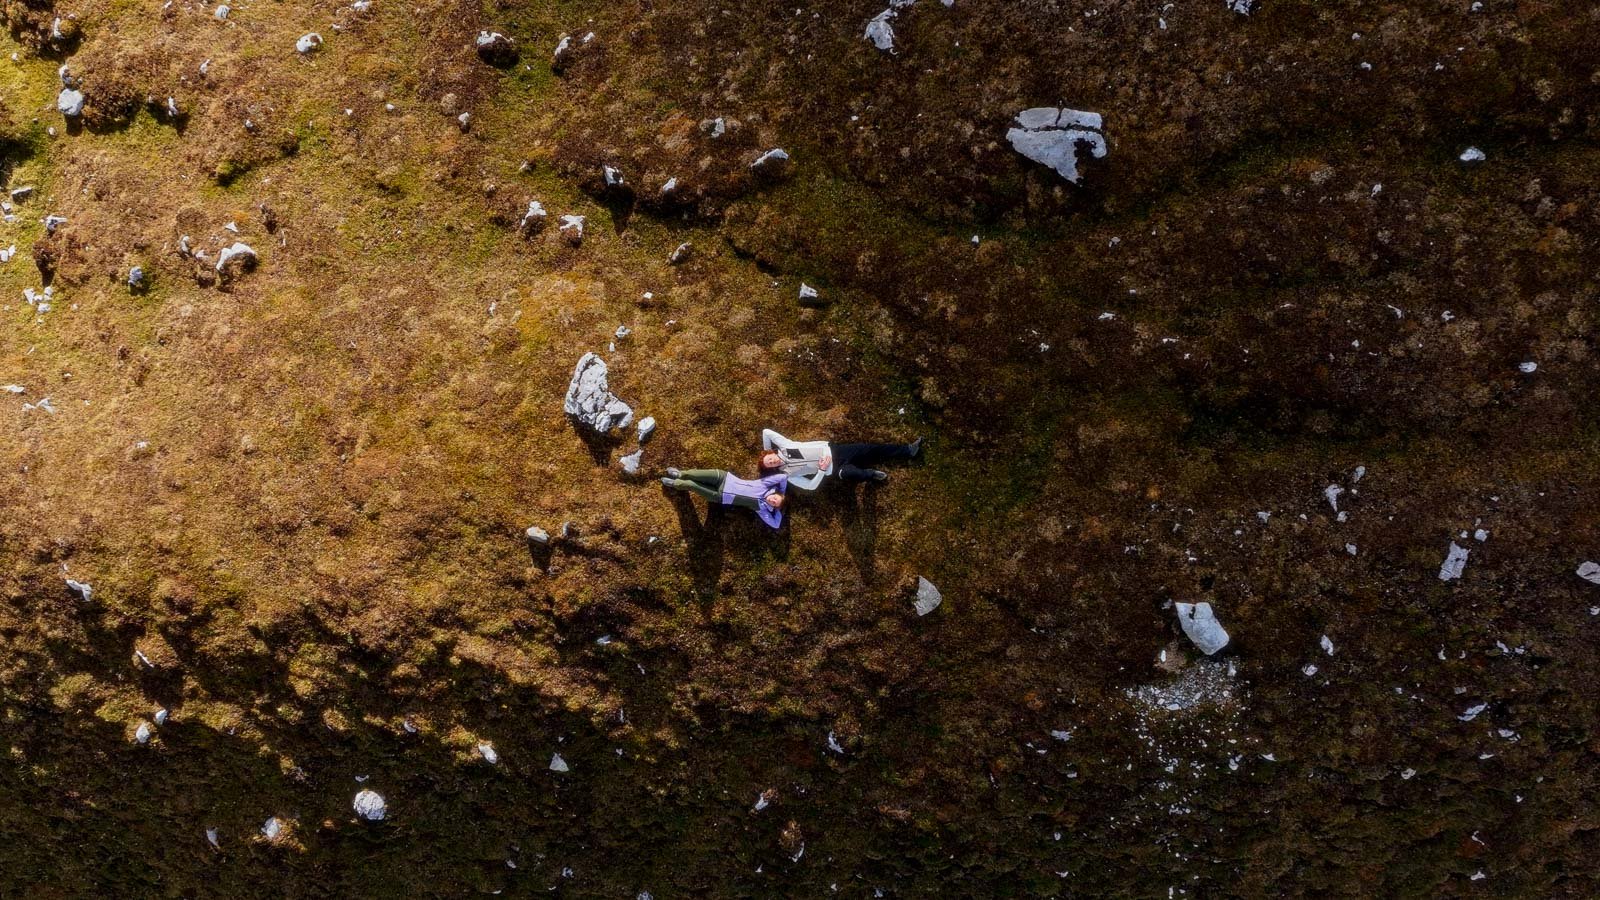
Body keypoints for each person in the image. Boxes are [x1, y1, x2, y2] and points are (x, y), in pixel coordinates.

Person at [760, 429, 923, 490]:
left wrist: (765, 449)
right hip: (834, 469)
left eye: (770, 459)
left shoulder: (785, 446)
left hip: (836, 450)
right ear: (772, 468)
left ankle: (908, 450)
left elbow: (766, 432)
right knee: (853, 474)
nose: (772, 461)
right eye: (770, 464)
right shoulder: (788, 476)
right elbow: (810, 486)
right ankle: (871, 475)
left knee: (871, 449)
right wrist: (822, 471)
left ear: (771, 454)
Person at [661, 467, 788, 529]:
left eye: (775, 503)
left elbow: (776, 524)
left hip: (719, 496)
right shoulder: (764, 484)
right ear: (774, 493)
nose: (773, 501)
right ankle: (680, 474)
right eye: (775, 498)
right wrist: (782, 492)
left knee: (690, 485)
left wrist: (778, 510)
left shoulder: (761, 509)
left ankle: (675, 483)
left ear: (773, 507)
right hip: (724, 478)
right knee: (694, 474)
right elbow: (783, 477)